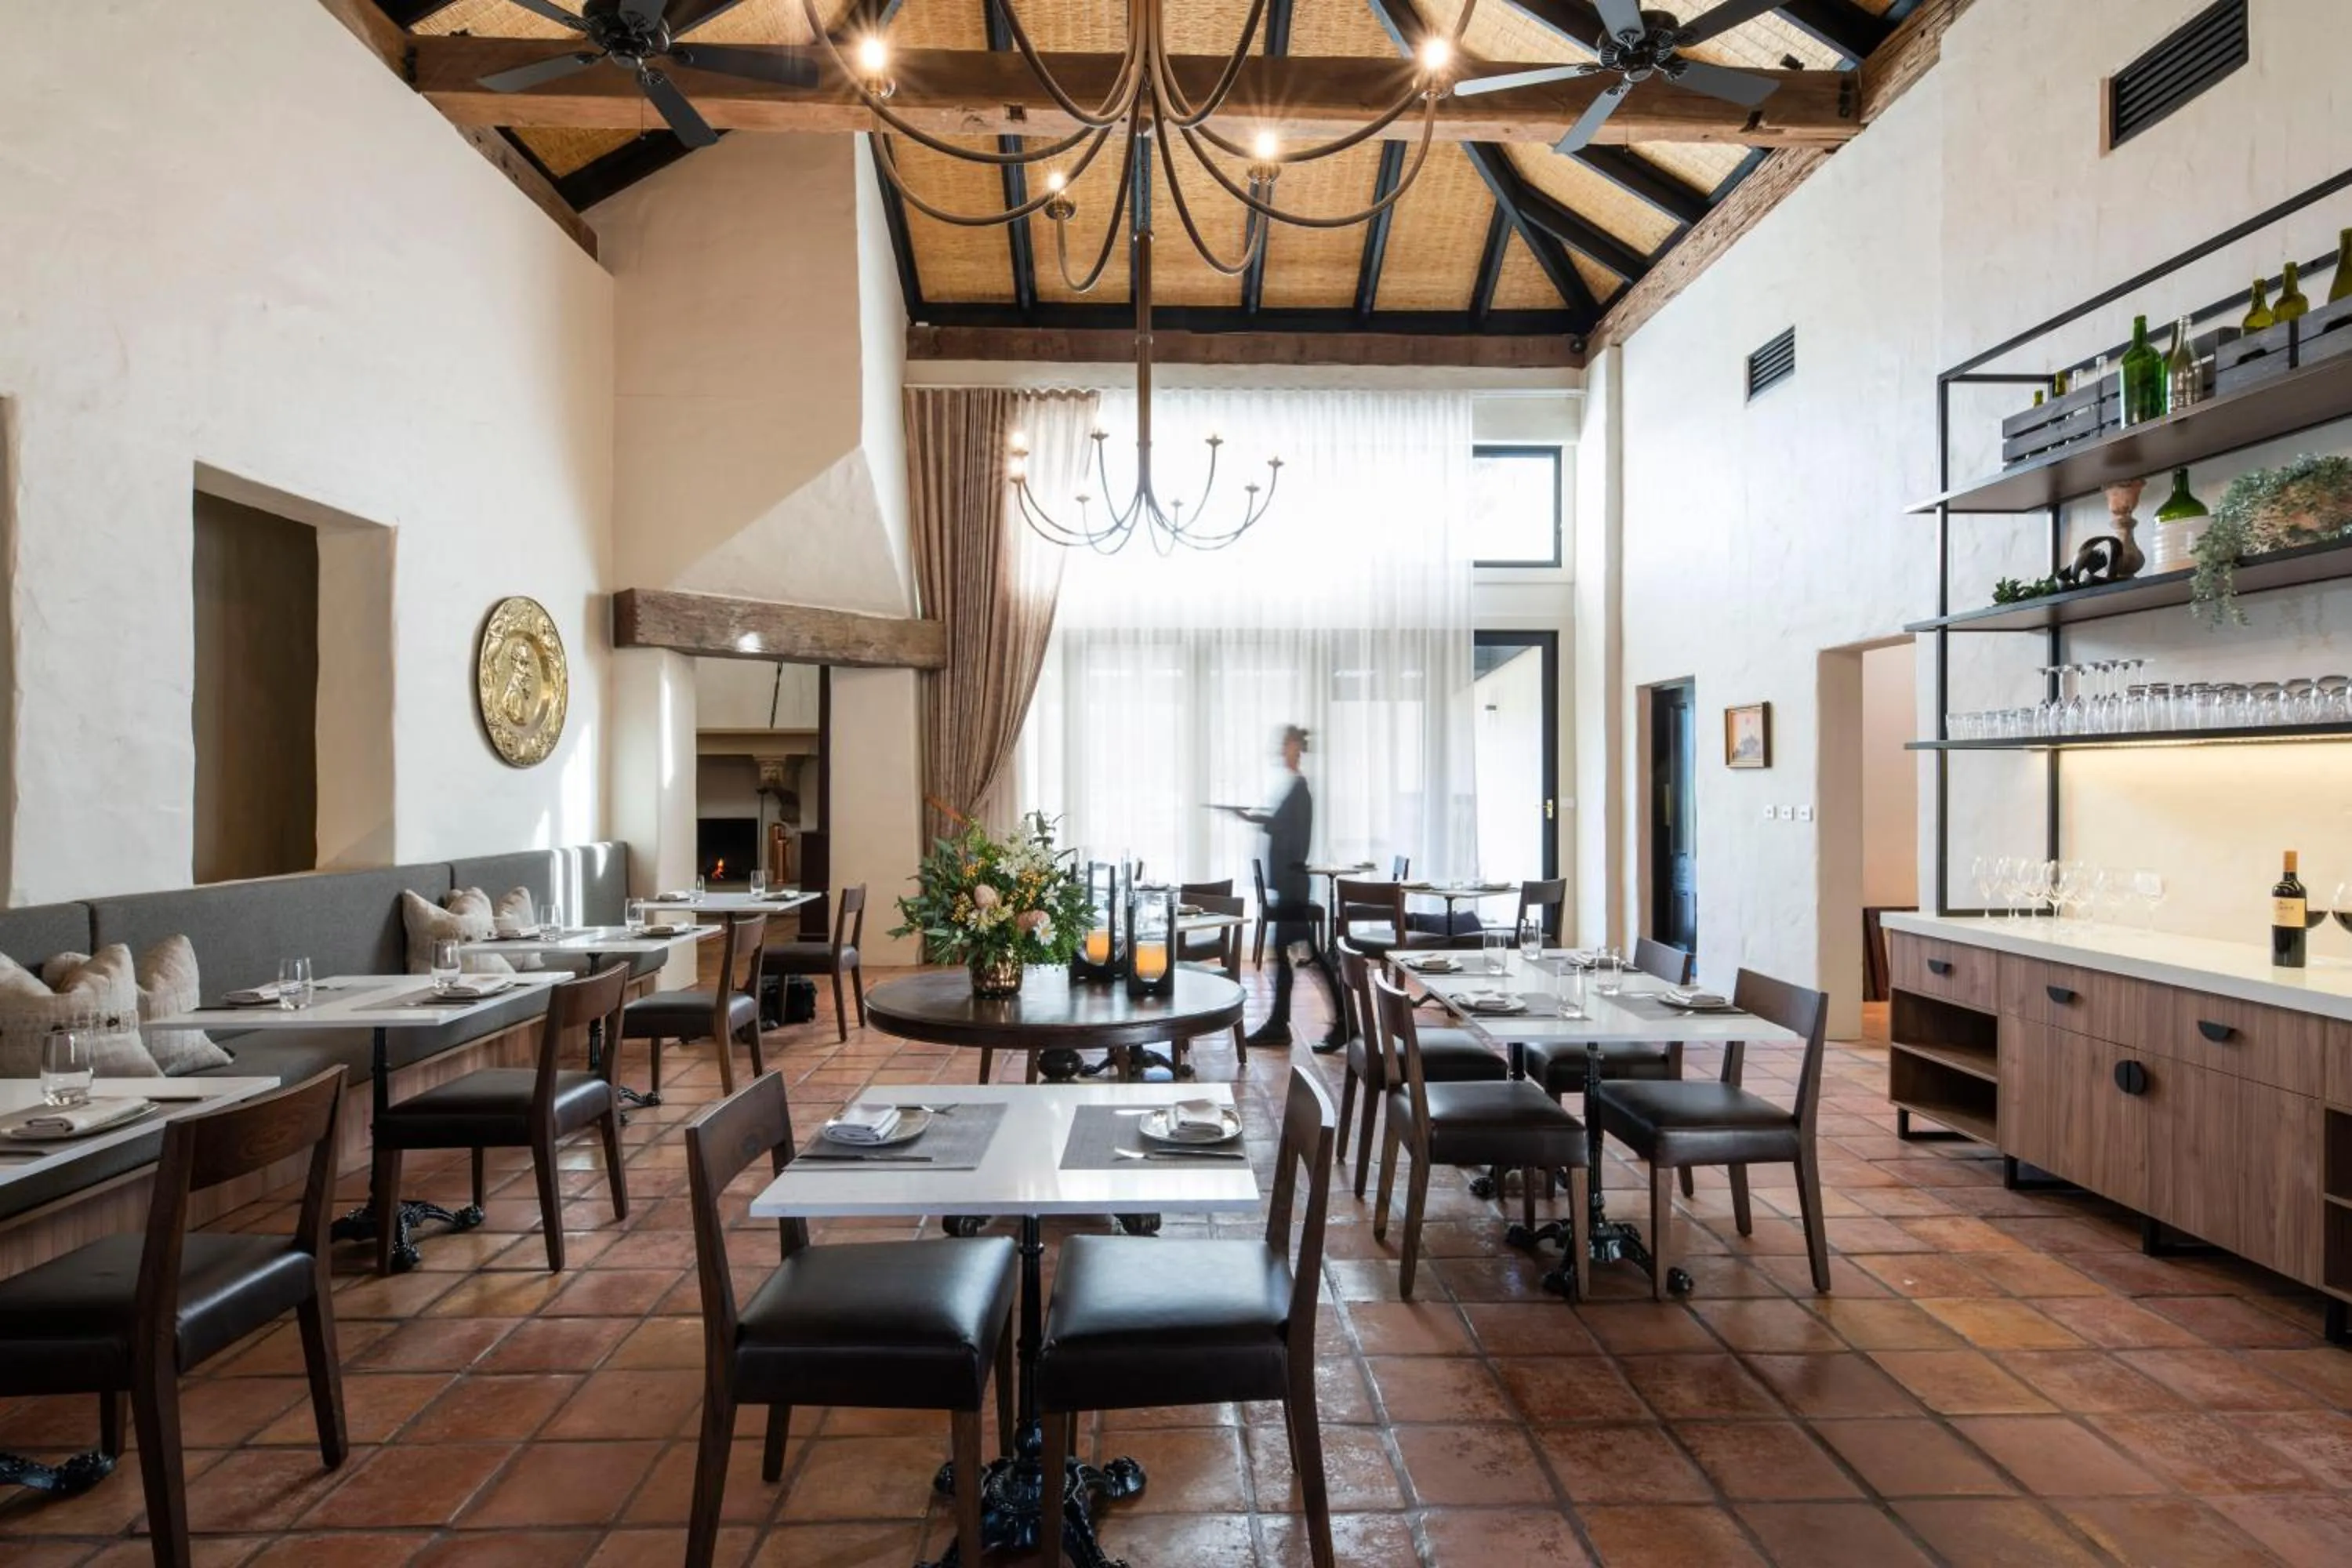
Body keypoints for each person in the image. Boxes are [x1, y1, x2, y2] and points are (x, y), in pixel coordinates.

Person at [1226, 724, 1342, 1051]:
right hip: (1291, 885)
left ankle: (1338, 1023)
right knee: (1295, 956)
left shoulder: (1300, 789)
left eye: (1286, 745)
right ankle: (1284, 1024)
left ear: (1296, 747)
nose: (1282, 750)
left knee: (1310, 957)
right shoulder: (1296, 788)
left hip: (1293, 887)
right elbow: (1280, 825)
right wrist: (1252, 818)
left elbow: (1290, 834)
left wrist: (1255, 819)